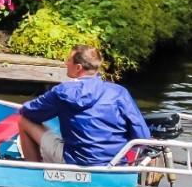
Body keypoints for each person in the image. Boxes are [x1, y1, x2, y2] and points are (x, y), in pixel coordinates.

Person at [18, 44, 150, 167]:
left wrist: (26, 107)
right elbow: (141, 134)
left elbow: (30, 113)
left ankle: (33, 170)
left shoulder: (62, 92)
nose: (65, 63)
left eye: (68, 60)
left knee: (24, 120)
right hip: (114, 163)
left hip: (74, 161)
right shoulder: (119, 92)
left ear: (78, 68)